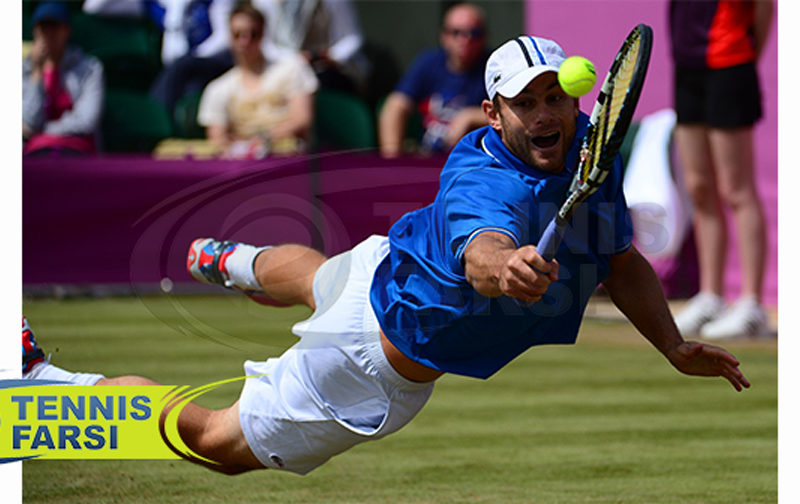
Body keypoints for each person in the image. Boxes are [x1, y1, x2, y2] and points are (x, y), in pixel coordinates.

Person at [23, 34, 750, 476]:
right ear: (491, 113)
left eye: (553, 98)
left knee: (321, 275)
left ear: (574, 100)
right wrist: (506, 269)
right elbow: (482, 251)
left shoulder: (590, 154)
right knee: (215, 440)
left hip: (380, 267)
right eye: (523, 103)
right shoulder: (482, 179)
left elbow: (621, 261)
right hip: (364, 360)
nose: (543, 114)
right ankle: (46, 382)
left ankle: (233, 260)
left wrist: (671, 343)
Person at [668, 0, 774, 340]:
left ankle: (751, 304)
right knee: (699, 187)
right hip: (687, 64)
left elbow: (764, 8)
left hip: (731, 61)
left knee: (736, 189)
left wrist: (747, 56)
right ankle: (710, 297)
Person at [196, 2, 319, 158]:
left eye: (253, 34)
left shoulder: (293, 68)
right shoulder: (217, 88)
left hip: (290, 163)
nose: (245, 41)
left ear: (263, 35)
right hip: (243, 167)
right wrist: (252, 145)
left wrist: (259, 140)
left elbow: (302, 119)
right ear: (229, 37)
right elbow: (218, 140)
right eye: (237, 34)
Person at [83, 0, 238, 117]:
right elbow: (94, 6)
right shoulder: (156, 3)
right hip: (176, 72)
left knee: (187, 79)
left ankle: (155, 116)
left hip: (210, 66)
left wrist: (192, 58)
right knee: (187, 89)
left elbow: (225, 39)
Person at [378, 2, 489, 158]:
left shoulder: (493, 67)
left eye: (474, 33)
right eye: (456, 32)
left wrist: (470, 116)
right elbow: (396, 105)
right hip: (427, 157)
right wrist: (392, 160)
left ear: (484, 37)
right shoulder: (429, 62)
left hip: (472, 161)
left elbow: (510, 115)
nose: (465, 39)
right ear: (444, 36)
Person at [23, 2, 105, 156]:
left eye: (54, 26)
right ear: (35, 31)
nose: (48, 33)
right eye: (43, 27)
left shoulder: (90, 68)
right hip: (35, 152)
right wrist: (37, 72)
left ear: (66, 30)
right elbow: (28, 120)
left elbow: (86, 121)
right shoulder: (24, 70)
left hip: (76, 149)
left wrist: (42, 130)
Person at [253, 0, 371, 95]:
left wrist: (333, 56)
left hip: (326, 71)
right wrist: (295, 59)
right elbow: (266, 45)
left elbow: (352, 37)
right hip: (282, 69)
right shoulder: (264, 2)